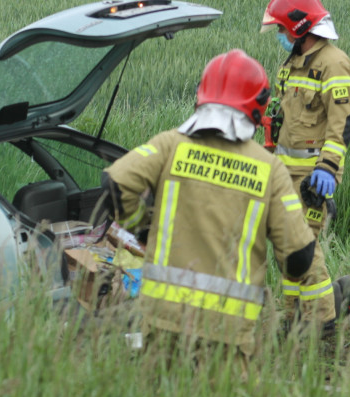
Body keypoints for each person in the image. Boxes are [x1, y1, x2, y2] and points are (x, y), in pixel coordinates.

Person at [101, 49, 335, 374]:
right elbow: (297, 257)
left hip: (162, 316)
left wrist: (141, 228)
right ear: (260, 105)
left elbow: (114, 182)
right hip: (228, 328)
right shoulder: (270, 169)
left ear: (202, 95)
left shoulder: (170, 145)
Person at [260, 0, 350, 321]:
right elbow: (281, 120)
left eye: (281, 29)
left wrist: (328, 169)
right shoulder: (291, 65)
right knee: (286, 249)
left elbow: (343, 123)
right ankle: (294, 317)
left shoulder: (334, 64)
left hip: (313, 175)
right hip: (284, 173)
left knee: (304, 247)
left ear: (300, 28)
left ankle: (322, 323)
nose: (279, 35)